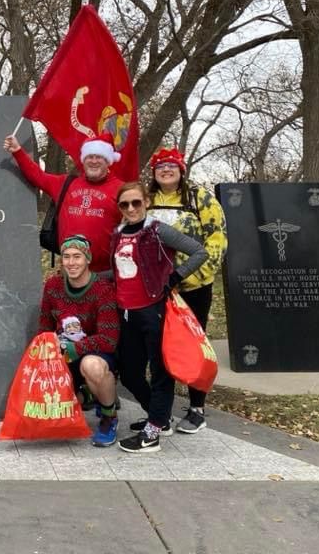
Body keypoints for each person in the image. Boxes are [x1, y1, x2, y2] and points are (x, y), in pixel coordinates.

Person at [111, 181, 207, 453]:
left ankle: (152, 433)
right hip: (127, 312)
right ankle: (159, 418)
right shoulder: (117, 234)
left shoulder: (157, 230)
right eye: (124, 204)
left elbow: (199, 251)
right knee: (129, 373)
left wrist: (175, 276)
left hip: (154, 310)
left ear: (146, 202)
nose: (130, 208)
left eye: (136, 202)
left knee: (161, 373)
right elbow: (119, 272)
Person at [147, 147, 228, 434]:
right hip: (156, 288)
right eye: (160, 167)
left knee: (193, 344)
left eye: (171, 166)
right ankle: (161, 411)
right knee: (160, 347)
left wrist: (193, 276)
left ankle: (197, 408)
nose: (166, 171)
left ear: (181, 170)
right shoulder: (147, 200)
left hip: (192, 286)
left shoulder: (200, 197)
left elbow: (217, 238)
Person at [38, 235, 120, 447]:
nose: (71, 262)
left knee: (91, 366)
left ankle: (109, 417)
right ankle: (86, 396)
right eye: (66, 257)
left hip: (95, 353)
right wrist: (47, 346)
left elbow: (108, 339)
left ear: (87, 259)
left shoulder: (102, 289)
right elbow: (44, 326)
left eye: (77, 256)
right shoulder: (53, 286)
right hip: (63, 353)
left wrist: (75, 349)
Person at [3, 132, 122, 272]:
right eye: (90, 156)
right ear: (83, 160)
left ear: (108, 161)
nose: (94, 161)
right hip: (69, 270)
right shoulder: (66, 184)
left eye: (99, 157)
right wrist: (17, 150)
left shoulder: (121, 189)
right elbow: (38, 176)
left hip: (104, 273)